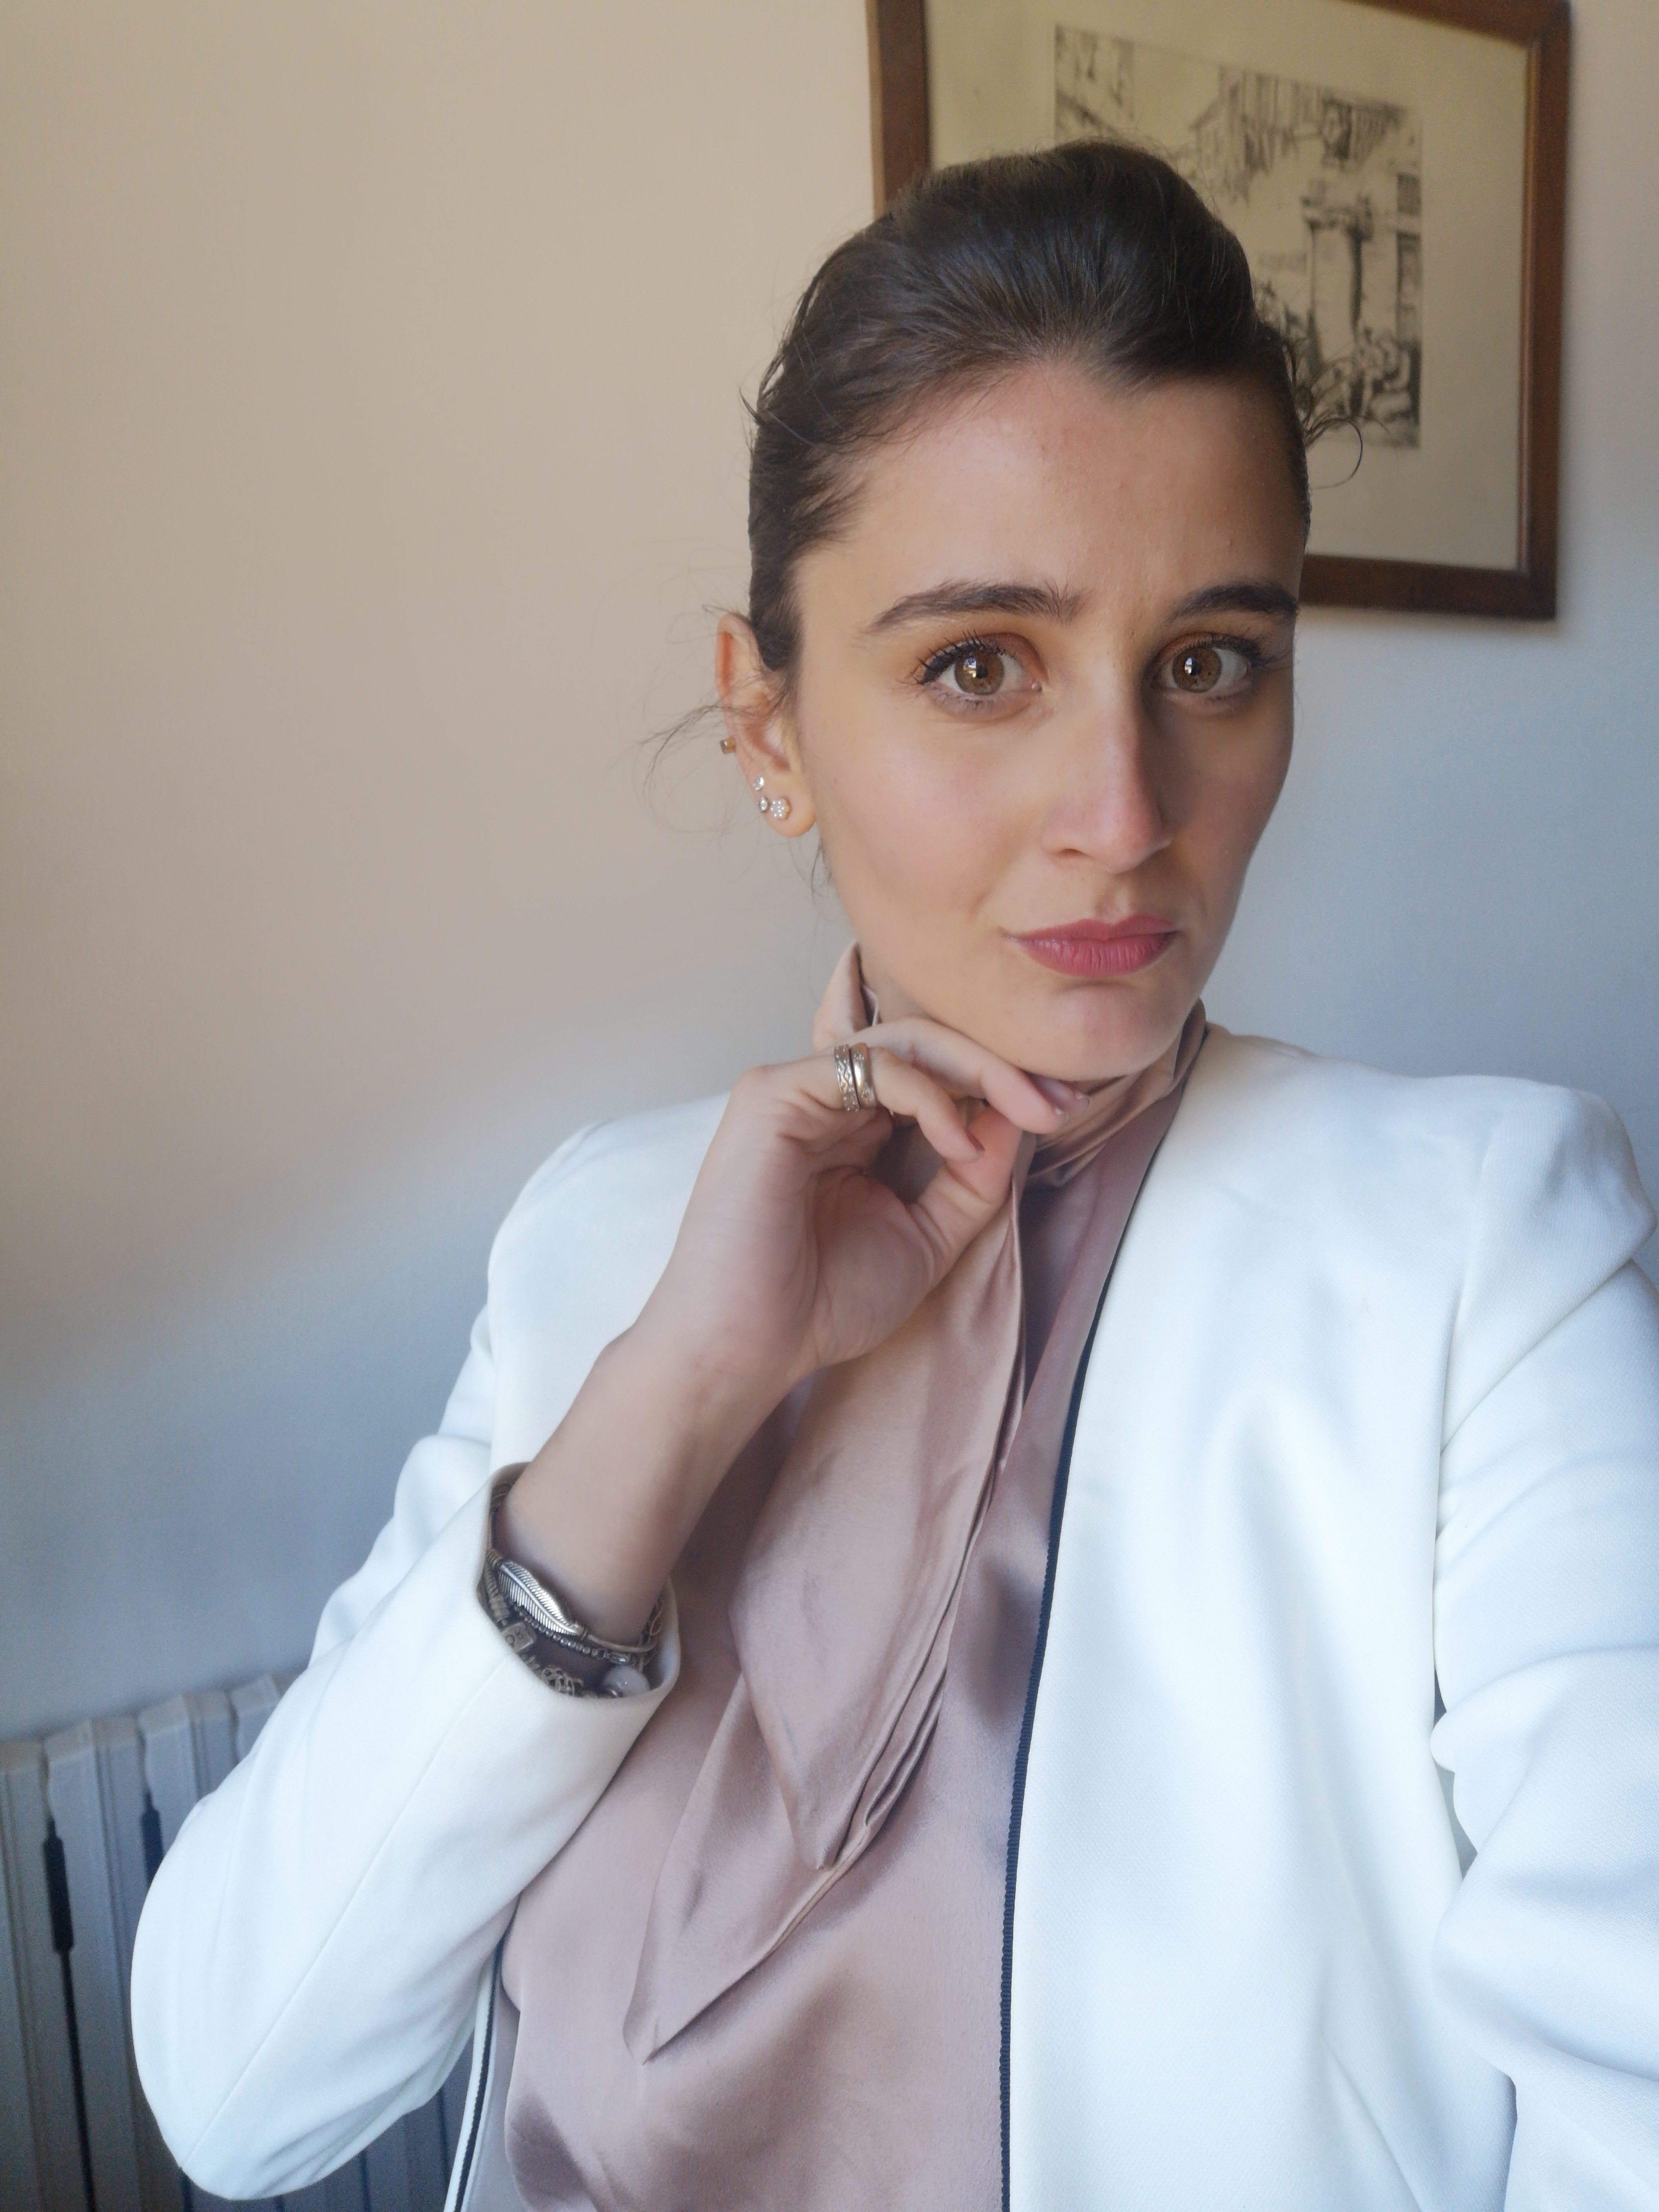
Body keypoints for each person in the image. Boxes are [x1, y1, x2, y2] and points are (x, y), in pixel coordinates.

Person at [130, 141, 1659, 2212]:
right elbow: (234, 2091)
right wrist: (676, 1390)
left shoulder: (1485, 1254)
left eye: (1211, 659)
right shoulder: (602, 1235)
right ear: (768, 722)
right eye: (979, 665)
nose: (1123, 813)